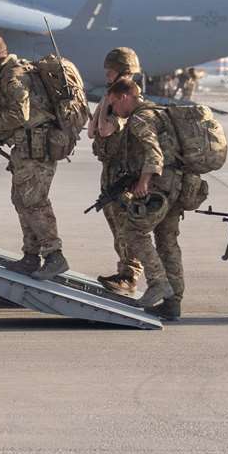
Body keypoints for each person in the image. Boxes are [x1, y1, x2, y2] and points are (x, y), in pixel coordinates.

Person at [0, 35, 67, 279]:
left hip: (38, 149)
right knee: (21, 200)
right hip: (25, 149)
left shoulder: (13, 77)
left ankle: (55, 256)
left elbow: (20, 114)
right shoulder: (6, 75)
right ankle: (31, 256)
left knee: (35, 202)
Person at [104, 76, 180, 311]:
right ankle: (172, 304)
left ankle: (158, 283)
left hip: (159, 187)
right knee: (167, 244)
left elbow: (154, 153)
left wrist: (144, 181)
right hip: (176, 185)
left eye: (114, 104)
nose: (115, 110)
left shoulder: (139, 119)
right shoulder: (157, 112)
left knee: (133, 232)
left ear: (124, 97)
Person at [88, 47, 145, 295]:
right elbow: (91, 131)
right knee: (117, 228)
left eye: (110, 72)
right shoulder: (112, 96)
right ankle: (123, 272)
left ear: (124, 71)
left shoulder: (125, 99)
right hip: (111, 171)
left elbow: (103, 131)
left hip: (124, 175)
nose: (107, 76)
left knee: (126, 228)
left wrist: (106, 102)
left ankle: (130, 276)